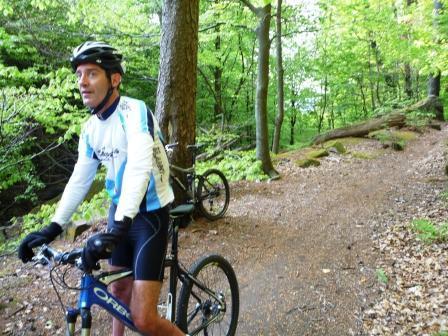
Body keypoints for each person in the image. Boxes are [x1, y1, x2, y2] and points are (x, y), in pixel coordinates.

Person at [18, 41, 186, 336]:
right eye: (79, 74)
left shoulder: (135, 112)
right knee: (117, 288)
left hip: (150, 213)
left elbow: (137, 169)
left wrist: (116, 230)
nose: (82, 81)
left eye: (92, 73)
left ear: (115, 79)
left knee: (145, 320)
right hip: (120, 212)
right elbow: (80, 179)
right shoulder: (90, 129)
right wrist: (53, 227)